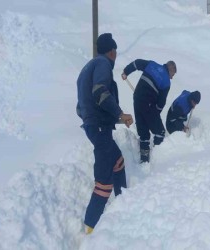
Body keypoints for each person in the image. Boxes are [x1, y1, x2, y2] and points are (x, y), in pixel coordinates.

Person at [76, 33, 133, 234]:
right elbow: (100, 92)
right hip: (99, 128)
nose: (116, 55)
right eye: (115, 51)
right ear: (112, 51)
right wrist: (120, 113)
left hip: (96, 127)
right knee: (104, 179)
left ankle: (123, 201)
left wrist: (109, 119)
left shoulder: (86, 69)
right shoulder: (103, 65)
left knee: (118, 162)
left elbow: (81, 107)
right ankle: (90, 227)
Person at [121, 60, 176, 163]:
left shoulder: (152, 64)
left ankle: (144, 159)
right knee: (160, 132)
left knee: (143, 131)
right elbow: (161, 102)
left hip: (137, 98)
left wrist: (126, 72)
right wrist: (154, 115)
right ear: (170, 70)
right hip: (149, 104)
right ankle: (158, 158)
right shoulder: (166, 81)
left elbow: (136, 63)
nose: (172, 77)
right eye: (173, 75)